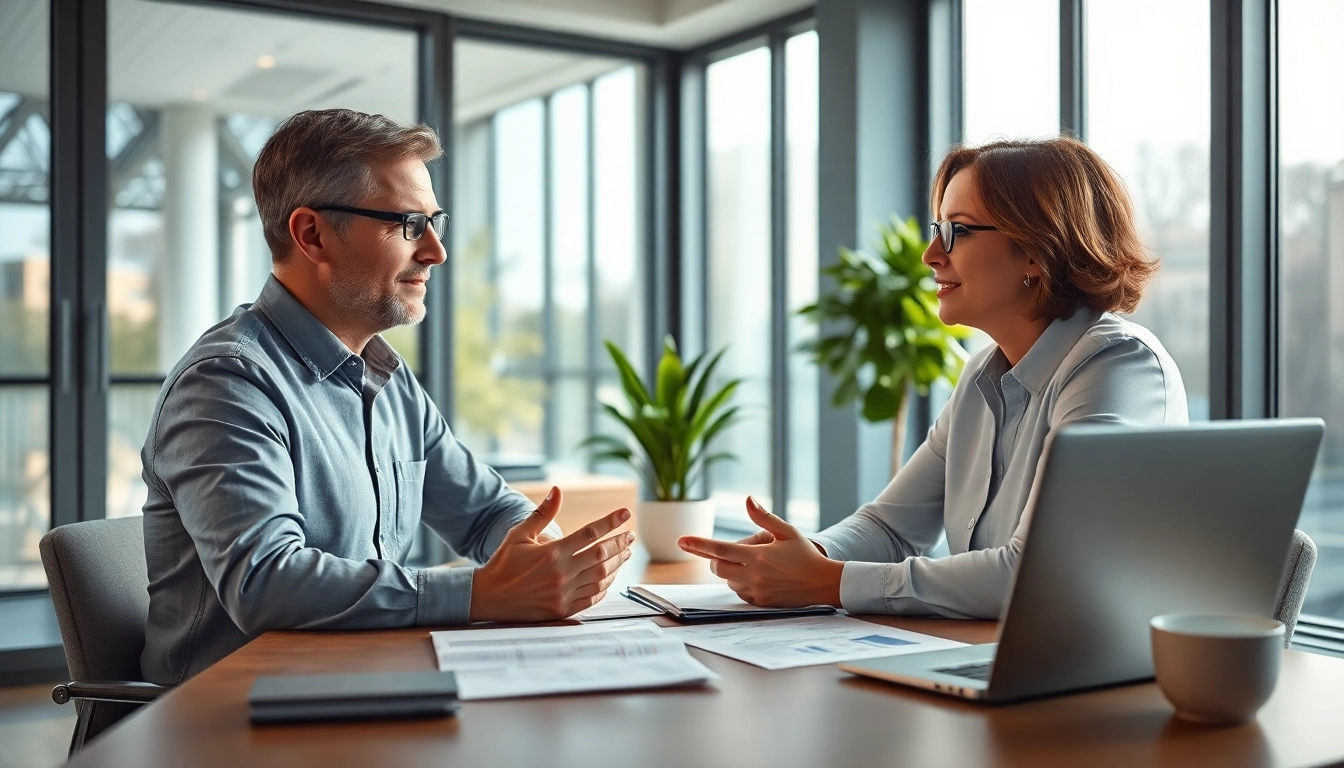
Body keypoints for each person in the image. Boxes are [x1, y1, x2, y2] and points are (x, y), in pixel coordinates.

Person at [140, 109, 634, 685]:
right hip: (229, 721)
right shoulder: (227, 384)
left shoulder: (389, 379)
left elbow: (487, 513)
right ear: (311, 234)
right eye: (407, 224)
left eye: (435, 222)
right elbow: (265, 583)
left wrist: (544, 557)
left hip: (362, 684)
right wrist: (481, 593)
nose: (435, 252)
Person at [678, 136, 1188, 619]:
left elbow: (1037, 575)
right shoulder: (980, 378)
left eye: (957, 231)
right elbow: (890, 526)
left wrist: (828, 582)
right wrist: (803, 555)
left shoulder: (1117, 366)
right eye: (936, 229)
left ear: (1036, 249)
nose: (930, 255)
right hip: (998, 658)